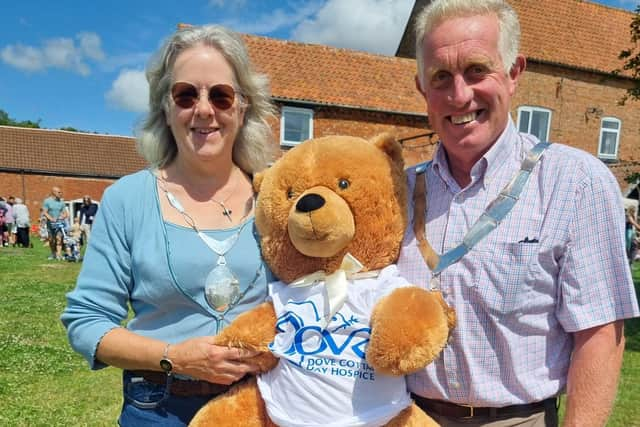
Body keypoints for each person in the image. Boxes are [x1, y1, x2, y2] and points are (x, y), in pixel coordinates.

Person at [397, 1, 640, 426]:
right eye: (441, 77)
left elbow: (599, 333)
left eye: (477, 70)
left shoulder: (574, 181)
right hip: (406, 415)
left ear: (513, 73)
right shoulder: (396, 191)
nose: (459, 95)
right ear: (421, 89)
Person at [61, 24, 276, 426]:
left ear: (243, 106)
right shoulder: (128, 199)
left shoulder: (276, 197)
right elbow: (87, 323)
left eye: (221, 95)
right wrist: (175, 358)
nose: (204, 109)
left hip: (262, 406)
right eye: (186, 95)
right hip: (160, 408)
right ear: (166, 106)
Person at [42, 186, 68, 260]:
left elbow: (65, 213)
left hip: (59, 224)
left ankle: (59, 254)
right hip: (50, 224)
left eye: (61, 192)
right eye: (59, 192)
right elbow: (44, 212)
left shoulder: (62, 202)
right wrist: (51, 218)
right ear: (53, 192)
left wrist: (63, 216)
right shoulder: (47, 201)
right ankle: (53, 253)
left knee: (59, 238)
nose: (61, 193)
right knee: (51, 240)